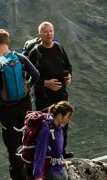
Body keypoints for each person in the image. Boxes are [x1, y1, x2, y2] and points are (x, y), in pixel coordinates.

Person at [0, 29, 41, 180]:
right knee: (29, 137)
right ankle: (32, 173)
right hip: (25, 104)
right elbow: (36, 74)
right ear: (7, 42)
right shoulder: (20, 58)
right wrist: (28, 86)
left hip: (7, 109)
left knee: (12, 143)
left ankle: (19, 179)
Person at [25, 21, 75, 156]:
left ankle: (61, 151)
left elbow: (68, 66)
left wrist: (69, 75)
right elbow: (28, 77)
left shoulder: (59, 48)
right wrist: (44, 83)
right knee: (46, 125)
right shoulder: (35, 53)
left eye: (51, 31)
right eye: (45, 32)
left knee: (63, 122)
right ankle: (46, 154)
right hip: (44, 98)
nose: (49, 34)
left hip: (61, 95)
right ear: (40, 34)